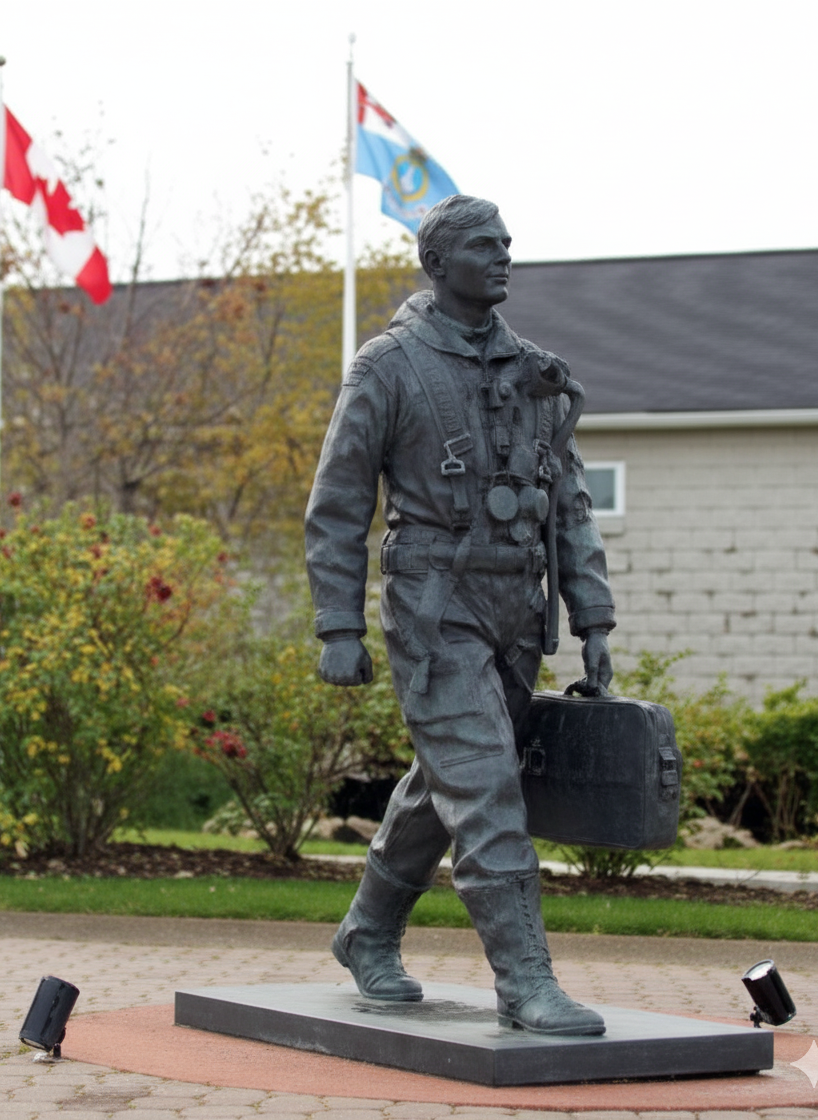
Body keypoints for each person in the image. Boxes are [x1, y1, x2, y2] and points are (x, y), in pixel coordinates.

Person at [304, 194, 615, 1035]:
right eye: (486, 245)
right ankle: (525, 983)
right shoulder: (387, 366)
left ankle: (367, 928)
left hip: (519, 606)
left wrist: (594, 621)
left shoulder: (537, 371)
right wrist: (339, 625)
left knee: (446, 779)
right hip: (434, 605)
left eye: (509, 242)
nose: (505, 256)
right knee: (485, 791)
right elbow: (337, 503)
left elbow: (570, 506)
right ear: (437, 265)